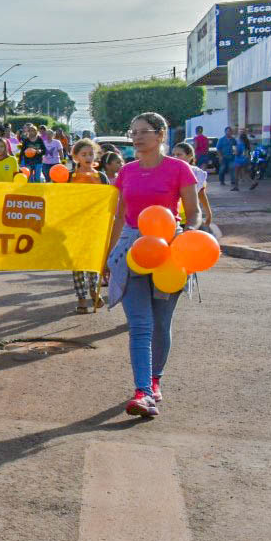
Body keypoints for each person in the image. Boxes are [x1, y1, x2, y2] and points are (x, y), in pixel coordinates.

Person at [103, 112, 201, 418]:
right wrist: (108, 255)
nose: (136, 137)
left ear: (160, 135)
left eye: (143, 131)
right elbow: (120, 217)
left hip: (168, 251)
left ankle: (155, 379)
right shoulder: (127, 172)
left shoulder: (179, 168)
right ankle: (143, 391)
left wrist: (187, 233)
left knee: (160, 323)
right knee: (140, 325)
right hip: (132, 251)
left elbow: (194, 212)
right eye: (132, 132)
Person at [66, 139, 106, 313]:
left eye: (91, 154)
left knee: (93, 259)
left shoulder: (101, 177)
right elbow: (60, 199)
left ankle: (94, 291)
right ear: (76, 157)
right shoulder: (69, 177)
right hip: (74, 225)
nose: (88, 157)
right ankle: (81, 298)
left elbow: (108, 199)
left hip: (95, 224)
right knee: (77, 263)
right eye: (84, 154)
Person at [172, 142, 217, 231]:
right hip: (171, 218)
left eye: (179, 155)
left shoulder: (197, 174)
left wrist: (208, 214)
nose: (175, 157)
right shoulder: (168, 172)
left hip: (190, 220)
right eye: (173, 155)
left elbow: (201, 194)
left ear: (190, 156)